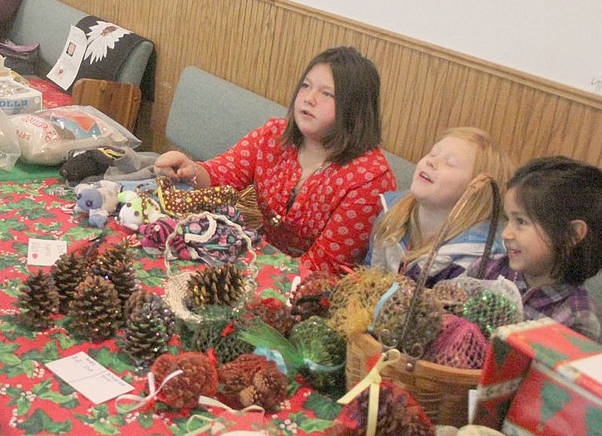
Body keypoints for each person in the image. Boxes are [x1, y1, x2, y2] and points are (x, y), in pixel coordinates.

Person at [155, 46, 396, 276]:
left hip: (311, 293)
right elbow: (221, 174)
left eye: (327, 94)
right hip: (258, 261)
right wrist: (189, 169)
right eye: (306, 86)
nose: (309, 99)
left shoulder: (369, 179)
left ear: (355, 109)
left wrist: (248, 273)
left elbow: (324, 267)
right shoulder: (274, 135)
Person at [473, 156, 602, 341]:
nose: (506, 234)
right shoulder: (487, 269)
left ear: (572, 234)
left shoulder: (576, 318)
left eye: (521, 221)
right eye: (507, 219)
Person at [367, 127, 514, 286]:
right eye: (432, 153)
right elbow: (367, 275)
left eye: (450, 163)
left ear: (477, 190)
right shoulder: (391, 212)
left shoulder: (476, 258)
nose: (431, 161)